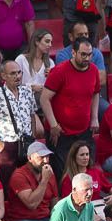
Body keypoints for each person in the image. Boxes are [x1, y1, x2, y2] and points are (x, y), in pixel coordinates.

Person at [41, 37, 102, 174]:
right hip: (61, 132)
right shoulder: (60, 71)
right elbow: (44, 99)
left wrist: (94, 118)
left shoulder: (93, 70)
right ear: (73, 53)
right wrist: (53, 125)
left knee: (86, 171)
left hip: (83, 130)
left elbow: (96, 93)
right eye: (83, 54)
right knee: (63, 174)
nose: (87, 58)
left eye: (90, 54)